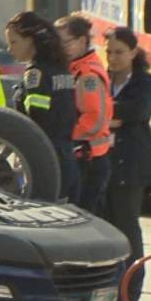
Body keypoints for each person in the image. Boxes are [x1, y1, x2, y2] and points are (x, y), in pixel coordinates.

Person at [101, 26, 151, 301]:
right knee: (107, 228)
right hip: (105, 164)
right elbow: (94, 111)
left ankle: (132, 291)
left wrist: (105, 116)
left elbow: (136, 111)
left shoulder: (145, 83)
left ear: (134, 53)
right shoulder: (102, 80)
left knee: (128, 228)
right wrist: (108, 116)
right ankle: (111, 292)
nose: (112, 58)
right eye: (109, 52)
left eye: (119, 52)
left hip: (132, 166)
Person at [4, 11, 78, 201]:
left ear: (30, 40)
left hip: (44, 160)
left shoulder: (35, 74)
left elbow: (37, 122)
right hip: (66, 156)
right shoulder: (61, 70)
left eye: (14, 42)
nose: (9, 49)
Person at [56, 13, 114, 212]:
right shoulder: (75, 69)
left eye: (66, 42)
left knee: (86, 218)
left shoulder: (87, 75)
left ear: (82, 41)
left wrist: (64, 136)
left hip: (90, 159)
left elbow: (94, 119)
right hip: (85, 156)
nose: (61, 48)